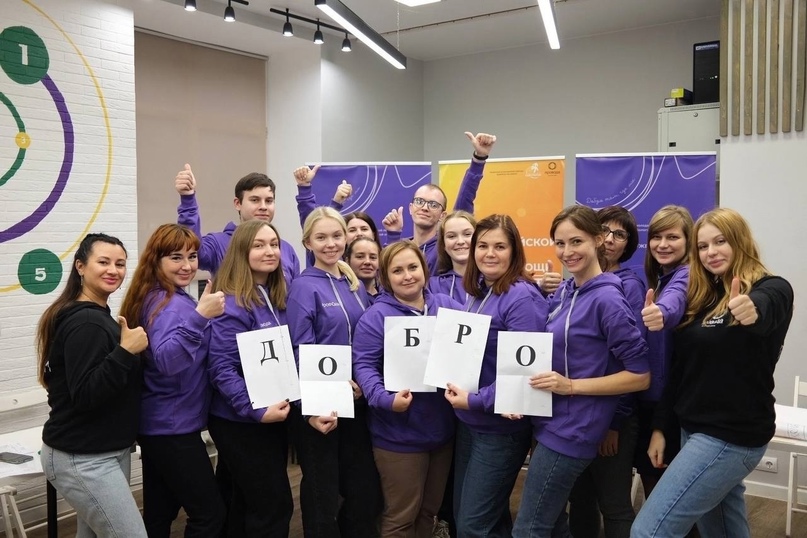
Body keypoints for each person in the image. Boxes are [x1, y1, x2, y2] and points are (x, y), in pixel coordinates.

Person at [631, 208, 794, 537]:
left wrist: (752, 310)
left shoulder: (771, 288)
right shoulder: (705, 297)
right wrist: (662, 427)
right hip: (693, 431)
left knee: (649, 530)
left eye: (720, 242)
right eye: (703, 246)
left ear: (740, 241)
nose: (711, 252)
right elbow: (681, 370)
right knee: (722, 530)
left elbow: (765, 308)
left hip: (730, 437)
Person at [512, 205, 650, 537]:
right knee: (557, 523)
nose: (567, 252)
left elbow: (640, 375)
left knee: (528, 529)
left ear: (598, 240)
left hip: (573, 430)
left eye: (576, 242)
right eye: (560, 244)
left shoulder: (608, 299)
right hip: (549, 422)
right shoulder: (567, 290)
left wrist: (571, 386)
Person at [442, 214, 548, 538]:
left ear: (514, 251)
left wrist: (474, 400)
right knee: (484, 519)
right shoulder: (478, 292)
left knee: (473, 525)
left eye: (500, 246)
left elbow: (525, 375)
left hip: (499, 429)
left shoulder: (521, 297)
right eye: (483, 245)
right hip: (471, 424)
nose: (490, 253)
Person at [37, 233, 148, 537]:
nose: (113, 270)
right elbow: (85, 395)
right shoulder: (87, 322)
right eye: (104, 262)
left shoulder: (93, 316)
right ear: (81, 267)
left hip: (103, 451)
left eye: (120, 264)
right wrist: (126, 351)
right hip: (84, 458)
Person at [119, 224, 226, 537]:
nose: (187, 265)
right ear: (157, 261)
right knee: (210, 515)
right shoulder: (167, 305)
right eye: (176, 258)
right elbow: (168, 361)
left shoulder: (159, 296)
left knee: (159, 513)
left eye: (192, 257)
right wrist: (200, 317)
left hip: (160, 424)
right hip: (172, 429)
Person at [353, 240, 461, 537]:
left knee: (428, 512)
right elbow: (363, 366)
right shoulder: (375, 318)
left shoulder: (448, 307)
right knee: (401, 517)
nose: (408, 275)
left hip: (441, 432)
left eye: (413, 267)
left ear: (424, 270)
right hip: (397, 435)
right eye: (397, 270)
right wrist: (386, 400)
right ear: (386, 278)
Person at [286, 207, 382, 537]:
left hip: (357, 401)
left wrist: (363, 382)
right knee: (322, 494)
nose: (331, 244)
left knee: (362, 490)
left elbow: (367, 340)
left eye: (337, 236)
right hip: (321, 407)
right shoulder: (303, 287)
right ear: (307, 242)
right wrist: (309, 408)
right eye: (322, 237)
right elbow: (300, 349)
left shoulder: (352, 283)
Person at [206, 219, 294, 537]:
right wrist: (256, 410)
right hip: (240, 421)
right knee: (274, 507)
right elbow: (221, 369)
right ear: (242, 251)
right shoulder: (231, 303)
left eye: (274, 244)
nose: (269, 251)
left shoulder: (275, 297)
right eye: (259, 245)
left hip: (270, 416)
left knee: (242, 503)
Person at [568, 206, 645, 538]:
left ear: (628, 244)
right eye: (605, 230)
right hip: (578, 415)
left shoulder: (627, 287)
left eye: (620, 234)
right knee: (580, 497)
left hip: (613, 416)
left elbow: (632, 363)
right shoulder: (575, 283)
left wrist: (615, 423)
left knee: (613, 502)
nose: (610, 239)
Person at [635, 205, 693, 499]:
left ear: (688, 241)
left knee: (667, 502)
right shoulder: (660, 278)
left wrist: (661, 313)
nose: (663, 244)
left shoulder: (686, 274)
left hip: (669, 406)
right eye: (657, 237)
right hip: (654, 401)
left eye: (673, 237)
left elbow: (675, 299)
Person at [381, 132, 494, 274]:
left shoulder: (445, 246)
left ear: (443, 215)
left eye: (433, 205)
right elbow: (388, 276)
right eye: (419, 201)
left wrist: (479, 159)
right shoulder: (403, 246)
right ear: (411, 208)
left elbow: (465, 201)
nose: (425, 208)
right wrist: (393, 235)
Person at [174, 163, 300, 282]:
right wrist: (188, 199)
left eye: (269, 201)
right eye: (255, 200)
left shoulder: (286, 250)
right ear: (238, 203)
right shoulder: (218, 244)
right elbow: (190, 248)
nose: (263, 207)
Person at [429, 210, 476, 305]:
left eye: (467, 234)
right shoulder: (432, 286)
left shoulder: (493, 283)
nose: (460, 241)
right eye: (451, 236)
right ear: (443, 245)